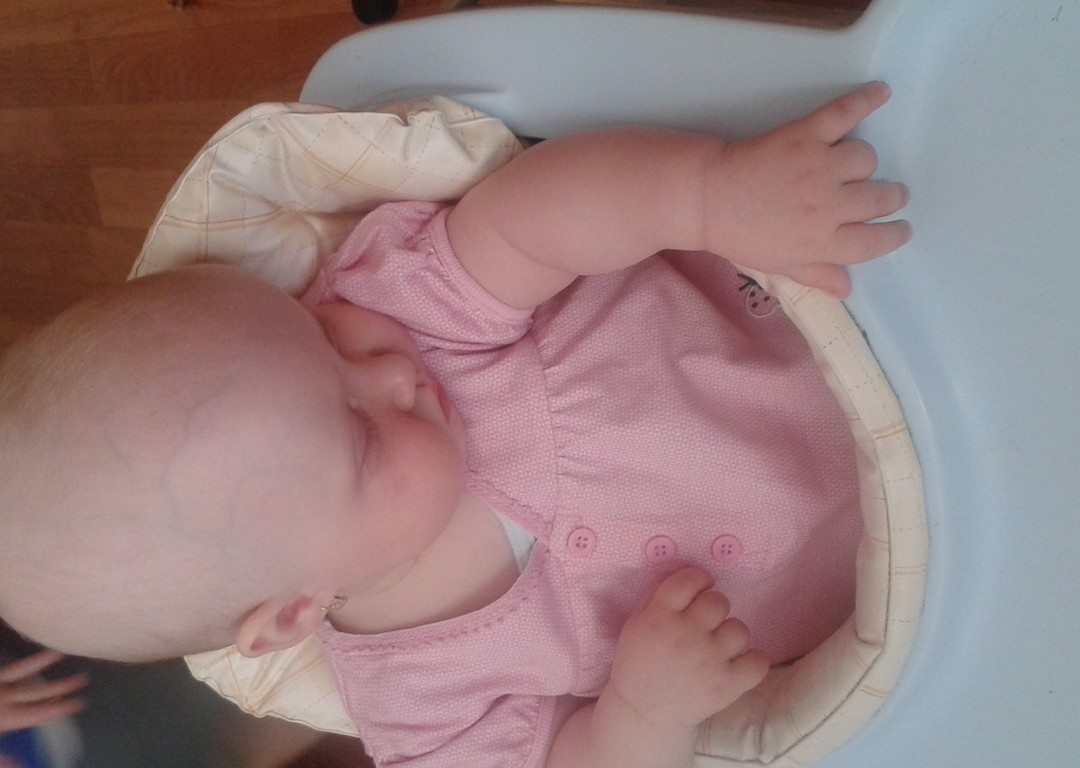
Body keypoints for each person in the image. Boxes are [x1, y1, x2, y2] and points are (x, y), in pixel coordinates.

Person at [0, 82, 910, 768]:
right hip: (894, 588)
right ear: (293, 612)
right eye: (360, 436)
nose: (387, 370)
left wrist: (709, 195)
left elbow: (534, 221)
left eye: (321, 335)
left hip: (856, 305)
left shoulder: (402, 310)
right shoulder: (415, 703)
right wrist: (643, 714)